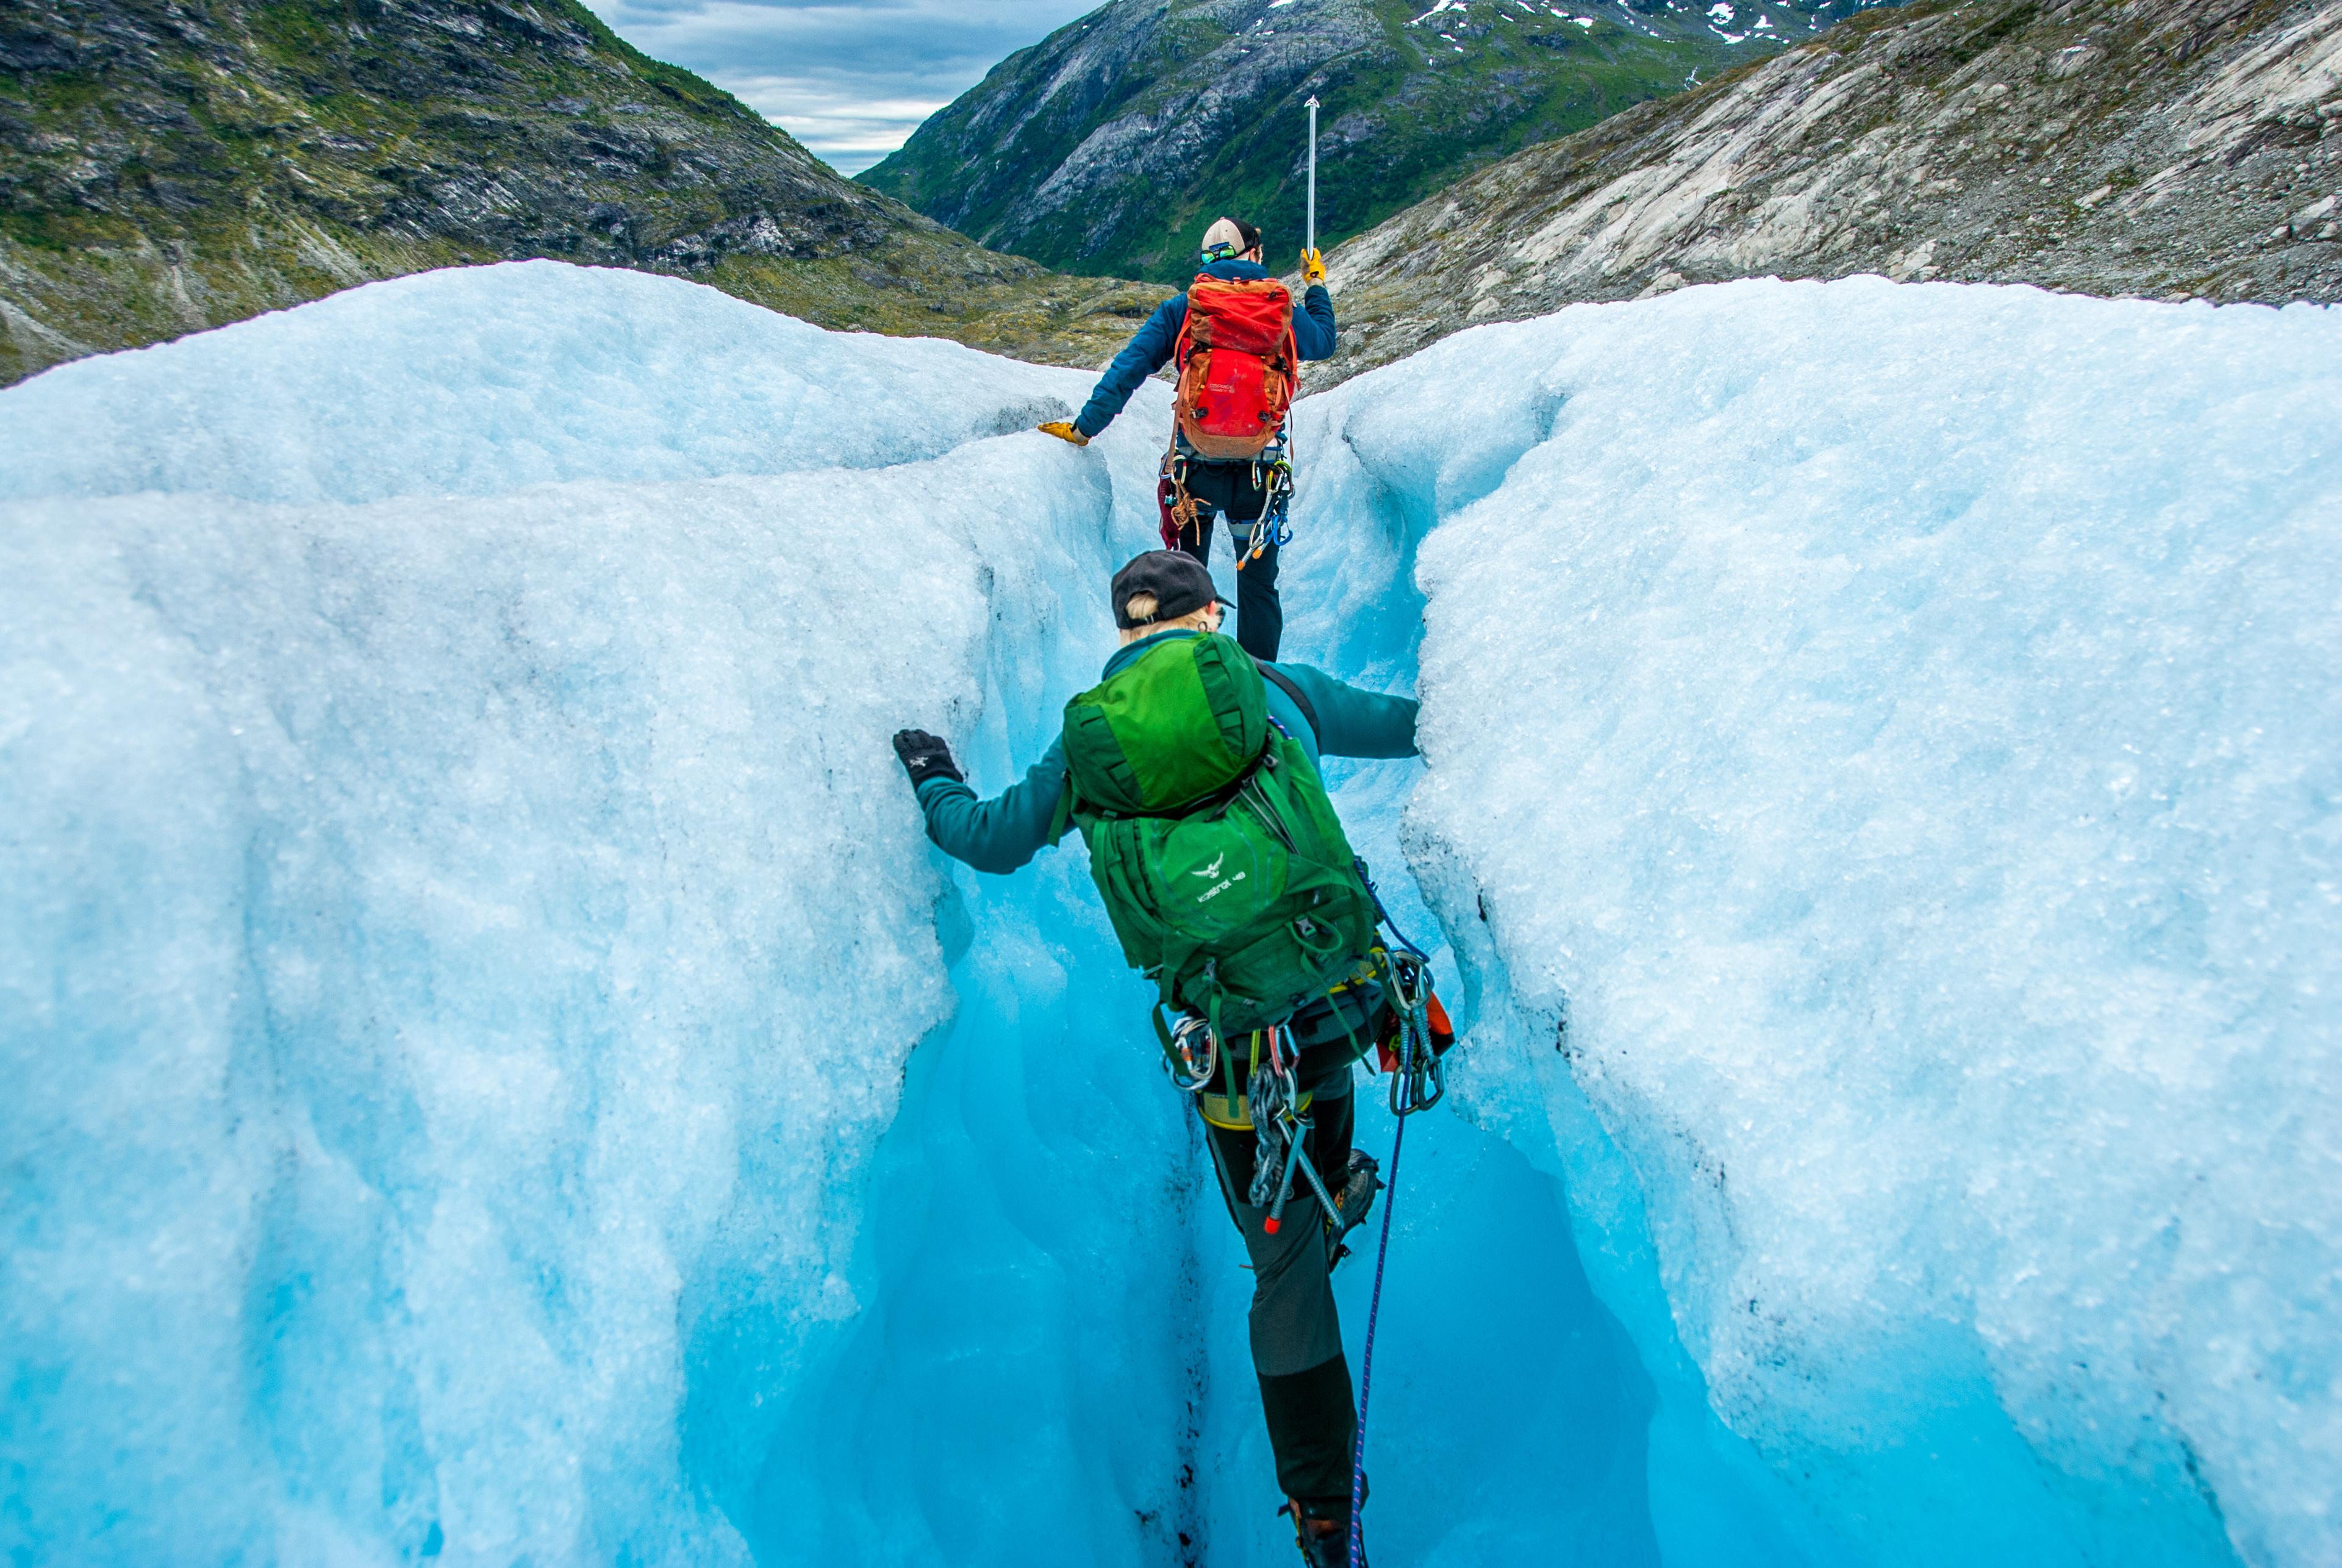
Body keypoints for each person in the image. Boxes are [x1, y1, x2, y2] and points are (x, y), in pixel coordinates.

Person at [890, 550, 1419, 1567]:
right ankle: (1331, 1197)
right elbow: (1403, 724)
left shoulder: (1089, 745)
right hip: (1333, 1000)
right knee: (1321, 1111)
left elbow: (990, 839)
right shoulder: (1269, 689)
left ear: (1123, 631)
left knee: (1281, 1261)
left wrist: (934, 778)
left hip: (1233, 1052)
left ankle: (1321, 1514)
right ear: (1210, 615)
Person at [1037, 218, 1336, 664]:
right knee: (1258, 588)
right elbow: (1325, 342)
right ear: (1254, 254)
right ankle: (1256, 685)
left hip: (1195, 475)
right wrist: (1315, 285)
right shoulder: (1279, 307)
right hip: (1259, 476)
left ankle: (1190, 675)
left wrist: (1084, 428)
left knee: (1187, 584)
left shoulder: (1185, 308)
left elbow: (1130, 367)